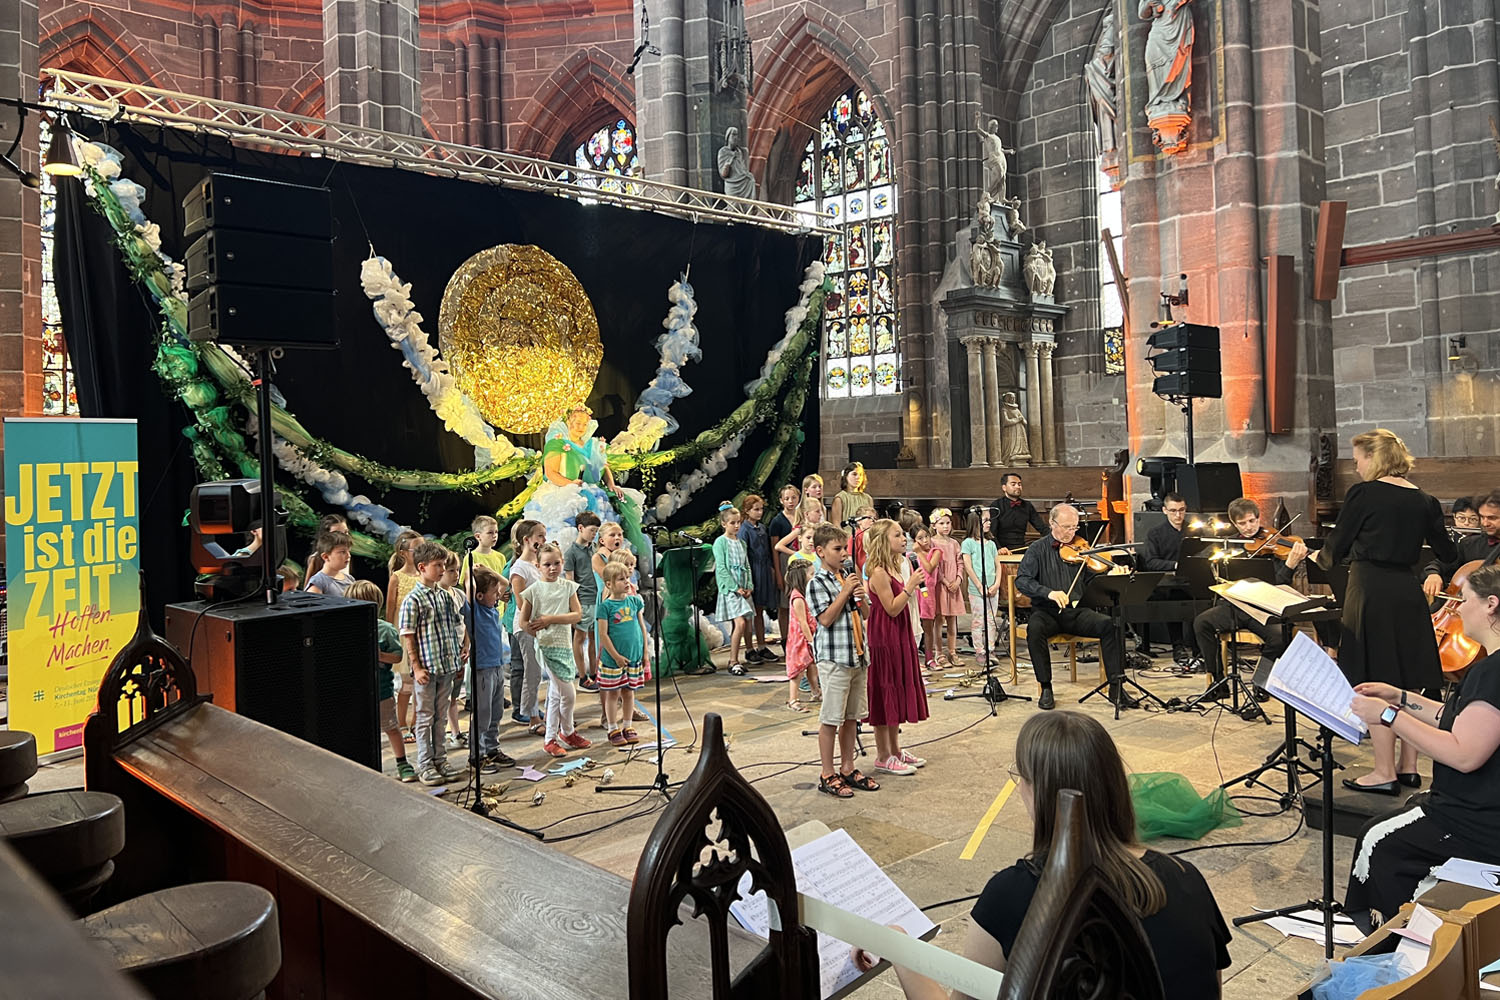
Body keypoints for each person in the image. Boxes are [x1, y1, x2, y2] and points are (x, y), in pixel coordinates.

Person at [861, 711, 1232, 999]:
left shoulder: (1011, 895)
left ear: (1038, 792)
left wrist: (897, 944)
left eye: (1021, 778)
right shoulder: (1187, 879)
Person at [1344, 562, 1500, 932]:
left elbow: (1464, 754)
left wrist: (1388, 716)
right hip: (1483, 806)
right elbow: (1455, 717)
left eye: (1463, 600)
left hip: (1481, 819)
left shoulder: (1492, 672)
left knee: (1378, 840)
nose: (1455, 609)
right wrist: (1399, 697)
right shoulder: (1489, 667)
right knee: (1396, 819)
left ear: (1491, 604)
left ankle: (1389, 943)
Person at [1314, 429, 1456, 794]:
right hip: (1407, 591)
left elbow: (1337, 544)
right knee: (1406, 680)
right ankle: (1408, 768)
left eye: (1358, 459)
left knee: (1374, 679)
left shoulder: (1364, 493)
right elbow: (1448, 552)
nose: (1357, 467)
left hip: (1370, 591)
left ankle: (1383, 772)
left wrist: (1321, 558)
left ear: (1374, 458)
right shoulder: (1425, 500)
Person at [1015, 503, 1127, 710]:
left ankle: (1116, 686)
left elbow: (1093, 580)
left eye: (1075, 527)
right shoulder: (1037, 549)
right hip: (1046, 613)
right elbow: (1022, 580)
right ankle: (1046, 687)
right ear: (1052, 523)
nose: (1071, 532)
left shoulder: (1082, 550)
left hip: (1077, 612)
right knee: (1035, 629)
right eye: (1067, 527)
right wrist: (1048, 593)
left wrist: (1110, 576)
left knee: (1110, 625)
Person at [1191, 497, 1308, 692]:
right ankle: (1218, 682)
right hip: (1235, 606)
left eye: (1252, 521)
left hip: (1264, 609)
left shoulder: (1274, 545)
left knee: (1279, 637)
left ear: (1258, 518)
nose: (1248, 527)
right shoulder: (1230, 545)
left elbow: (1279, 586)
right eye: (1242, 523)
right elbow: (1198, 562)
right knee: (1201, 623)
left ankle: (1261, 682)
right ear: (1234, 524)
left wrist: (1290, 565)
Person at [807, 524, 879, 798]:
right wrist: (845, 593)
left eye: (845, 549)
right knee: (831, 718)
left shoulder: (847, 578)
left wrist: (859, 597)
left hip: (857, 655)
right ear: (820, 551)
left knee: (851, 718)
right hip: (835, 658)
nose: (844, 554)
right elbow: (825, 618)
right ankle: (827, 773)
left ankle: (848, 767)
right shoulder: (817, 583)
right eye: (837, 549)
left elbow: (867, 614)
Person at [399, 541, 469, 787]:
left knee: (441, 717)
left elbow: (454, 628)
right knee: (424, 717)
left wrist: (459, 655)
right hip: (427, 669)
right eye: (437, 565)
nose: (441, 570)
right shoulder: (413, 599)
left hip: (446, 666)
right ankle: (425, 764)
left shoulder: (445, 596)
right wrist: (416, 667)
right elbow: (408, 636)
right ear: (422, 567)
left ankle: (441, 759)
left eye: (443, 565)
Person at [865, 518, 930, 777]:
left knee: (896, 690)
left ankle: (895, 749)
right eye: (898, 535)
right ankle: (883, 755)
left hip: (899, 632)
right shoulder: (878, 571)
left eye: (903, 535)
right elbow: (891, 608)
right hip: (884, 635)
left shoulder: (894, 566)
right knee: (885, 692)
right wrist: (911, 586)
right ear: (883, 540)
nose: (904, 539)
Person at [517, 542, 591, 758]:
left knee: (556, 694)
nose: (552, 568)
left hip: (564, 645)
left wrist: (551, 619)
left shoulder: (568, 587)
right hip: (547, 647)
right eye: (547, 564)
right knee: (568, 693)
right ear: (538, 566)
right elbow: (523, 621)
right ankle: (566, 731)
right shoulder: (533, 591)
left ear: (562, 563)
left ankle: (551, 738)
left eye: (556, 563)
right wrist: (536, 633)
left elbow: (577, 615)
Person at [346, 579, 414, 783]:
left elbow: (398, 656)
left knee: (391, 726)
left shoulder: (385, 629)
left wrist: (380, 655)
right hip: (356, 690)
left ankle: (402, 762)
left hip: (382, 690)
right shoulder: (347, 627)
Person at [1140, 492, 1201, 667]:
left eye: (1182, 510)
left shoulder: (1194, 531)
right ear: (1164, 510)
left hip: (1190, 581)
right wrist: (1176, 565)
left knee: (1201, 598)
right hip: (1166, 584)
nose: (1178, 515)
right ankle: (1178, 646)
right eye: (1173, 511)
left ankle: (1198, 647)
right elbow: (1151, 562)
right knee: (1175, 598)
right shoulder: (1155, 533)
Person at [467, 566, 515, 774]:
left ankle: (492, 748)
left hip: (497, 667)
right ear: (479, 595)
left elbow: (505, 584)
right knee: (483, 714)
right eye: (494, 593)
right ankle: (476, 755)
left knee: (496, 712)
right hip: (482, 669)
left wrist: (488, 571)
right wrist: (470, 572)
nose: (498, 596)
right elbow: (469, 590)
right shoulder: (475, 611)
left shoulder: (492, 608)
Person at [597, 562, 647, 748]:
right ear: (609, 584)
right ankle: (612, 728)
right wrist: (616, 656)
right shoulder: (605, 607)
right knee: (613, 693)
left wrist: (645, 651)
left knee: (629, 692)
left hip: (633, 657)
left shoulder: (635, 602)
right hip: (613, 660)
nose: (626, 581)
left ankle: (628, 725)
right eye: (621, 579)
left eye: (627, 577)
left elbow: (641, 627)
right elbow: (603, 635)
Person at [508, 519, 549, 735]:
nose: (544, 539)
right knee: (532, 672)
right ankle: (532, 717)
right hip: (528, 626)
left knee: (545, 671)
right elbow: (521, 602)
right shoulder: (519, 568)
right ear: (526, 540)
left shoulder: (539, 563)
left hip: (544, 623)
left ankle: (548, 713)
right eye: (540, 535)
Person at [1422, 488, 1500, 596]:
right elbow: (1439, 564)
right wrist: (1433, 574)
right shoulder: (1469, 544)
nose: (1485, 523)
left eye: (1492, 518)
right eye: (1482, 517)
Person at [386, 529, 424, 741]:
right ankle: (401, 724)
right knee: (407, 684)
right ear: (403, 553)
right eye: (416, 549)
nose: (421, 552)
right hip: (404, 636)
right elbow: (390, 611)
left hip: (422, 635)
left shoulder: (423, 575)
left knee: (421, 683)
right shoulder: (397, 578)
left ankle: (417, 724)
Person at [713, 502, 755, 674]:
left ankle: (741, 655)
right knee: (740, 622)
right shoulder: (720, 542)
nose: (736, 526)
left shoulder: (741, 543)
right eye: (732, 523)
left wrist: (749, 586)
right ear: (724, 524)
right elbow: (721, 568)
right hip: (730, 589)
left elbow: (746, 565)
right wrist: (734, 587)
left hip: (743, 588)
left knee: (746, 623)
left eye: (739, 522)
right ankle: (733, 661)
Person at [565, 510, 602, 697]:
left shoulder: (595, 548)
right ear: (580, 528)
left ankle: (594, 674)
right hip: (583, 601)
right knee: (579, 638)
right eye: (591, 530)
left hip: (598, 599)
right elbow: (570, 581)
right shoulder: (571, 552)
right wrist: (574, 606)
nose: (594, 534)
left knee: (595, 638)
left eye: (596, 531)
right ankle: (582, 676)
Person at [961, 509, 1003, 667]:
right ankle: (980, 651)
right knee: (978, 621)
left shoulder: (991, 544)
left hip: (992, 588)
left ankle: (991, 649)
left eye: (989, 520)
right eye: (985, 520)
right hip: (977, 590)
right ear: (975, 522)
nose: (989, 523)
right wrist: (980, 586)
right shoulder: (968, 543)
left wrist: (996, 584)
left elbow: (998, 565)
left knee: (991, 620)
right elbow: (968, 567)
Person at [740, 494, 779, 664]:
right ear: (747, 510)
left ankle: (762, 646)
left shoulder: (762, 528)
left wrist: (771, 569)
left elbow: (767, 551)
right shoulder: (744, 530)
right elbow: (743, 555)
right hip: (752, 571)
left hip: (764, 570)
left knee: (760, 610)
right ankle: (749, 649)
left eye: (761, 509)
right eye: (756, 509)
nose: (759, 512)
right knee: (750, 612)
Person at [782, 560, 823, 712]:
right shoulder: (798, 598)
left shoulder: (805, 594)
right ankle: (793, 699)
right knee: (798, 670)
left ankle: (816, 692)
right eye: (811, 574)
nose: (814, 576)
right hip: (800, 639)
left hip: (808, 635)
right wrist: (811, 641)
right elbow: (802, 622)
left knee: (812, 666)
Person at [929, 508, 967, 667]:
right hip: (941, 586)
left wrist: (958, 579)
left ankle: (952, 651)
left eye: (948, 523)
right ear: (934, 525)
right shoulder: (932, 542)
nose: (945, 526)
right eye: (941, 523)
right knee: (939, 619)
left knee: (952, 620)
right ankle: (938, 652)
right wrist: (944, 581)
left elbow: (960, 562)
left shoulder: (954, 543)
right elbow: (935, 566)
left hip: (954, 585)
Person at [769, 484, 801, 647]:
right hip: (784, 561)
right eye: (787, 498)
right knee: (784, 603)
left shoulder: (802, 517)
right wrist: (778, 574)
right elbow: (775, 550)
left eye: (793, 498)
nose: (790, 501)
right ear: (781, 500)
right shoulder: (777, 521)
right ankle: (785, 637)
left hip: (800, 562)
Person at [910, 523, 943, 670]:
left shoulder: (936, 552)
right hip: (915, 592)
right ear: (914, 540)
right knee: (914, 626)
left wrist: (919, 553)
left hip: (928, 593)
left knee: (928, 627)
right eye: (920, 538)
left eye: (926, 536)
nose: (925, 541)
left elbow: (929, 568)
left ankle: (929, 658)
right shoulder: (909, 556)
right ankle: (913, 659)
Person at [990, 474, 1048, 554]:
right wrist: (999, 548)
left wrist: (1054, 537)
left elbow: (1042, 527)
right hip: (1002, 550)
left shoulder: (1027, 505)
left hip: (1021, 548)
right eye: (1013, 484)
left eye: (1019, 484)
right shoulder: (996, 506)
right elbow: (991, 532)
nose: (1018, 487)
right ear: (1004, 487)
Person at [304, 513, 349, 586]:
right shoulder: (316, 559)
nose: (343, 536)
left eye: (346, 532)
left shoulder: (347, 555)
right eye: (336, 533)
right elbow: (308, 587)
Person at [306, 531, 354, 596]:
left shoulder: (350, 579)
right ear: (326, 557)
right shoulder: (318, 582)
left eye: (349, 551)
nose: (349, 555)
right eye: (343, 552)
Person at [830, 462, 874, 530]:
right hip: (846, 534)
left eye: (860, 475)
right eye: (854, 474)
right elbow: (836, 525)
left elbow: (871, 521)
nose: (858, 477)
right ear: (846, 476)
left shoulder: (868, 498)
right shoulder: (840, 498)